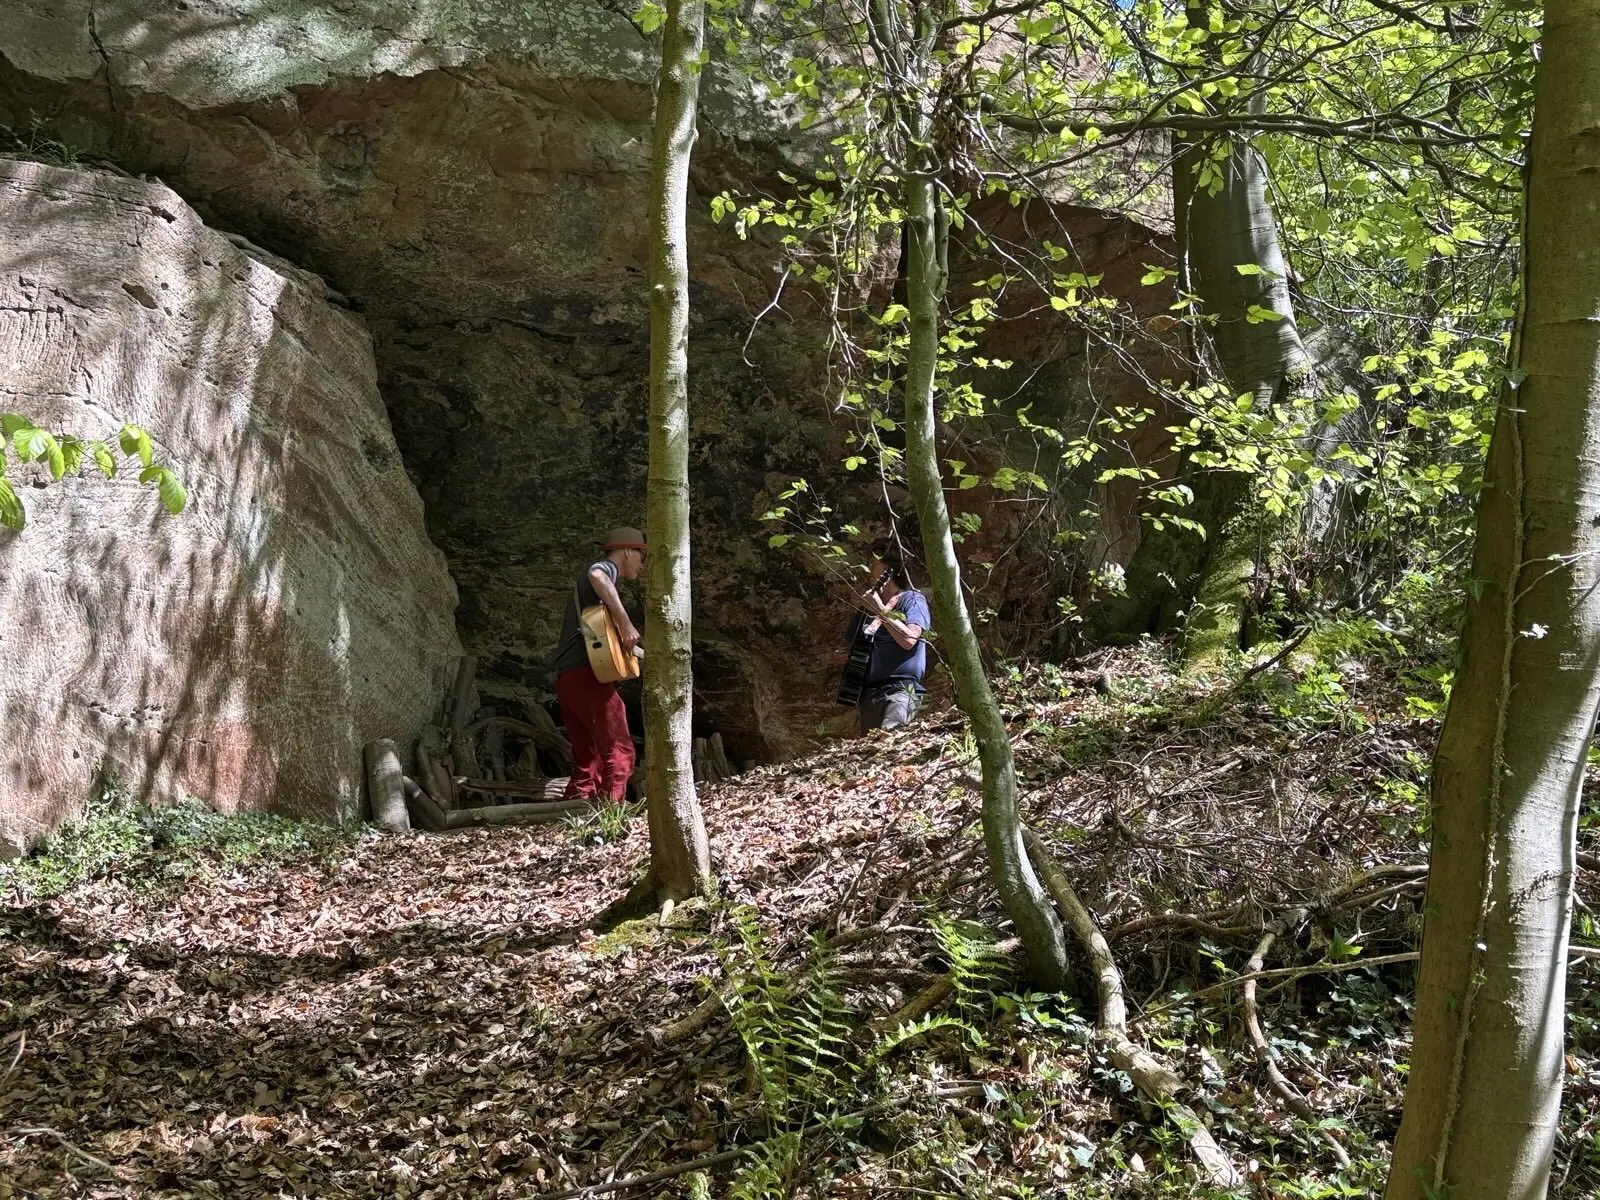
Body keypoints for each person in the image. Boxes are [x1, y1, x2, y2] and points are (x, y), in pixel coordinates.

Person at [550, 527, 646, 805]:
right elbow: (597, 575)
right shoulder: (607, 569)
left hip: (567, 679)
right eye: (641, 556)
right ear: (627, 551)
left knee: (587, 758)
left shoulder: (596, 599)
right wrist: (626, 623)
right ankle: (612, 814)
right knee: (620, 749)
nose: (642, 565)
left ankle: (573, 812)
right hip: (586, 678)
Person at [851, 547, 931, 733]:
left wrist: (880, 610)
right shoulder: (864, 612)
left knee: (890, 736)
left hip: (901, 690)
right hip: (868, 696)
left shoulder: (912, 599)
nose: (870, 569)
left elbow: (909, 639)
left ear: (889, 573)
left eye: (875, 563)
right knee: (871, 752)